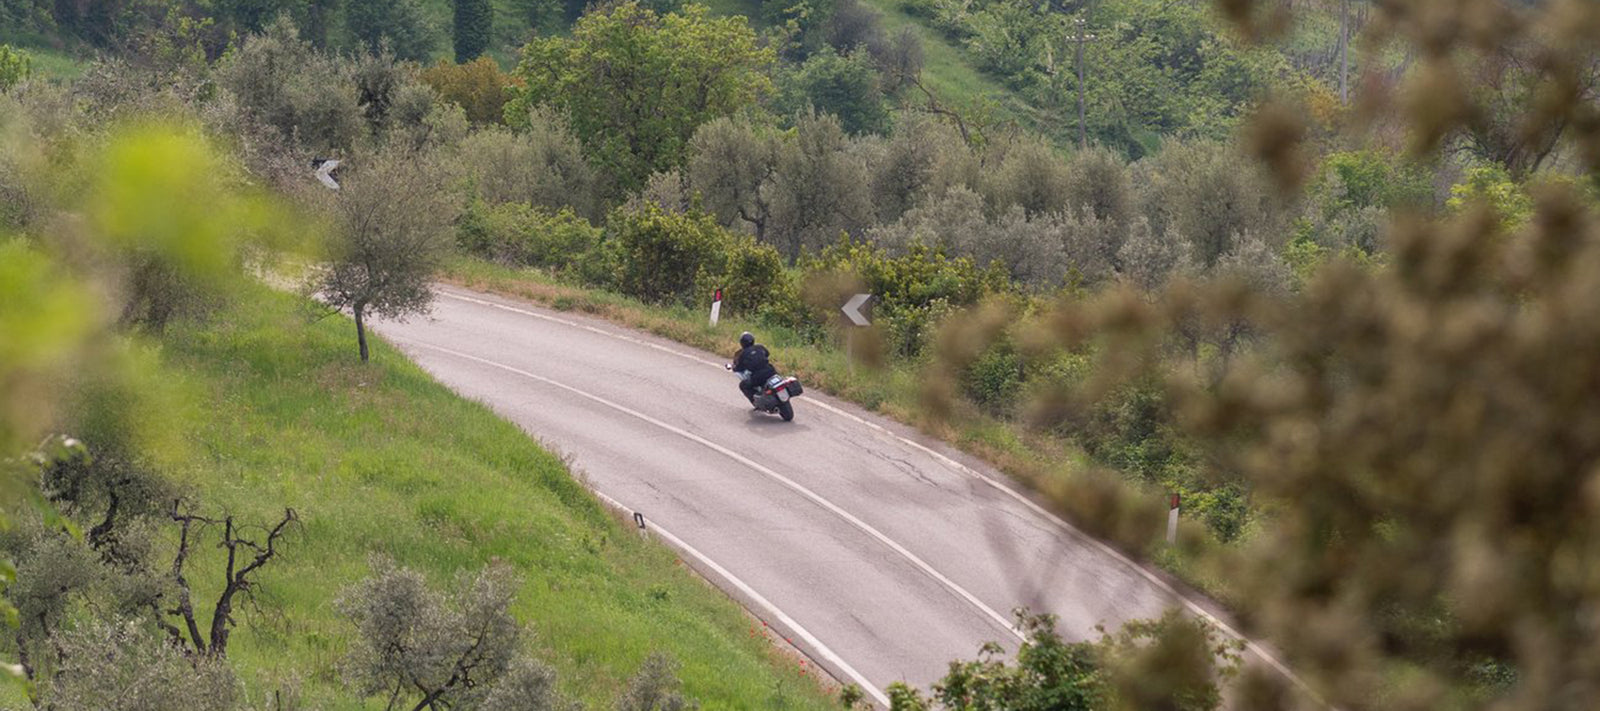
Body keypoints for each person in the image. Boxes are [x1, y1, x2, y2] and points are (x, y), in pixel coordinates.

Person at [730, 331, 776, 406]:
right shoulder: (760, 347)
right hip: (771, 371)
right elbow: (767, 354)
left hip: (758, 376)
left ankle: (756, 403)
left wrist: (734, 368)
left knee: (743, 385)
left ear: (742, 343)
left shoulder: (743, 354)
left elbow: (739, 368)